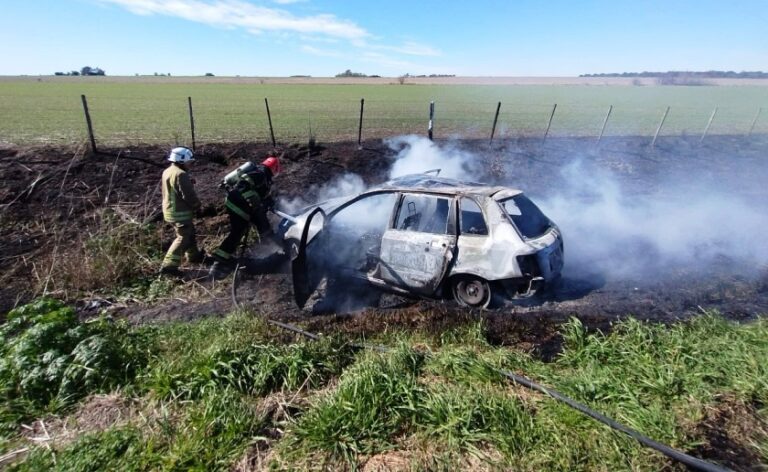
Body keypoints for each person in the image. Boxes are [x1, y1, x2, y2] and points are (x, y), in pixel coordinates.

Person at [209, 153, 281, 279]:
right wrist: (258, 203)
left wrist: (269, 202)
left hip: (243, 204)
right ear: (275, 168)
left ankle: (275, 245)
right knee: (238, 230)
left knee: (260, 224)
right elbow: (244, 187)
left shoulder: (263, 176)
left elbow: (262, 194)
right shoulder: (260, 174)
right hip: (237, 204)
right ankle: (220, 260)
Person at [160, 147, 203, 277]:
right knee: (183, 237)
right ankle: (168, 266)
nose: (190, 164)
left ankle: (193, 256)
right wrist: (197, 206)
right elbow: (188, 195)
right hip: (179, 212)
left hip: (169, 210)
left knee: (190, 232)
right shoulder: (181, 174)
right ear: (181, 161)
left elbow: (173, 187)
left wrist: (188, 183)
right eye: (189, 161)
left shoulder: (168, 171)